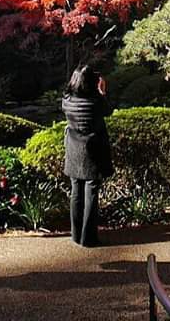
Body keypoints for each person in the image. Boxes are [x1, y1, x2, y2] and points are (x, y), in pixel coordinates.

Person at [61, 65, 114, 247]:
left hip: (73, 149)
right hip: (93, 149)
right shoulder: (95, 101)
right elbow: (108, 111)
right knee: (91, 191)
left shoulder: (67, 100)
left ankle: (76, 235)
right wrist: (102, 92)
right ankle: (89, 237)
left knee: (76, 191)